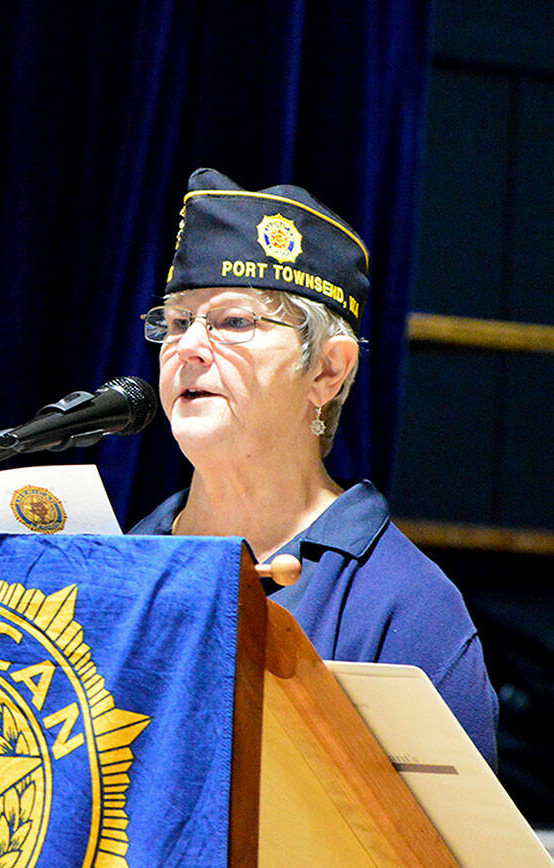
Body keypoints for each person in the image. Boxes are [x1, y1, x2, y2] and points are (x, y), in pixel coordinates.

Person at [129, 168, 499, 766]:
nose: (188, 346)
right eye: (175, 322)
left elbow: (446, 853)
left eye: (232, 321)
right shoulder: (123, 560)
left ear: (327, 371)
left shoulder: (402, 603)